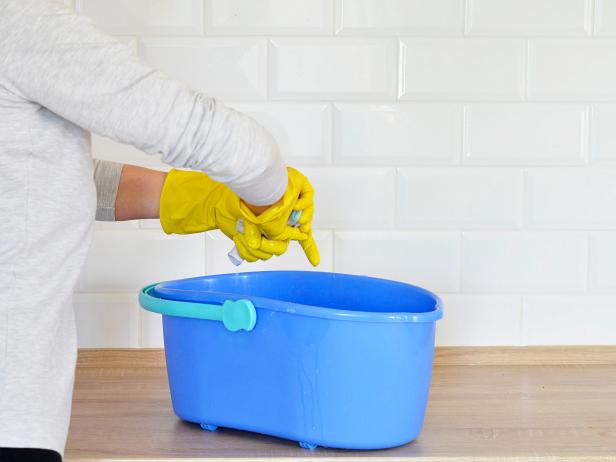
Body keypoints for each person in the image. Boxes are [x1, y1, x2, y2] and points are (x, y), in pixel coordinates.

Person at [0, 1, 319, 460]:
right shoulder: (21, 24)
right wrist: (273, 197)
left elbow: (30, 177)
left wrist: (196, 199)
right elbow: (216, 138)